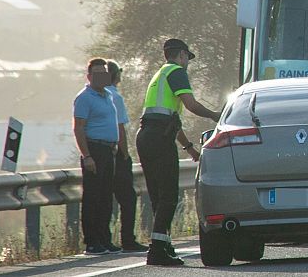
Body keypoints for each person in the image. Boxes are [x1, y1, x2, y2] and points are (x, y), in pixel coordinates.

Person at [137, 39, 221, 266]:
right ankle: (157, 250)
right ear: (182, 55)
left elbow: (171, 121)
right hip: (159, 139)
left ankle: (163, 245)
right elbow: (191, 105)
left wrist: (189, 147)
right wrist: (215, 116)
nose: (187, 63)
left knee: (158, 197)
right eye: (187, 58)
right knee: (169, 196)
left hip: (147, 136)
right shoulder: (176, 72)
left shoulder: (160, 75)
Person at [72, 57, 122, 255]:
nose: (101, 77)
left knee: (105, 197)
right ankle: (92, 242)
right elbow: (79, 128)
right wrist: (87, 156)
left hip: (108, 151)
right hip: (94, 150)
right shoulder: (84, 98)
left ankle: (104, 239)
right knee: (93, 197)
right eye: (97, 73)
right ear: (89, 76)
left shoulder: (108, 95)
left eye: (104, 73)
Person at [106, 60, 149, 253]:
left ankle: (103, 239)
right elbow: (120, 129)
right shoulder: (115, 97)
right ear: (116, 75)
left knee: (104, 198)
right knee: (128, 198)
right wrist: (125, 154)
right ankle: (128, 239)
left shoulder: (98, 95)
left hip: (102, 153)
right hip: (117, 154)